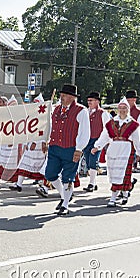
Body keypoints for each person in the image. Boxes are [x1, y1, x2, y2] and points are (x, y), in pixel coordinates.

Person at [91, 97, 140, 207]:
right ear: (117, 109)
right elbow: (104, 136)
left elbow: (137, 140)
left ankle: (113, 197)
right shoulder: (111, 123)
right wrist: (97, 146)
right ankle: (124, 193)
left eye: (124, 108)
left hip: (126, 150)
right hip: (113, 150)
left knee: (124, 174)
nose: (122, 110)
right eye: (120, 108)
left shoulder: (133, 124)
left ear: (128, 110)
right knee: (114, 173)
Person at [44, 84, 90, 216]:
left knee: (68, 178)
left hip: (71, 149)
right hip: (54, 147)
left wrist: (79, 149)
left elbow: (84, 132)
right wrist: (46, 140)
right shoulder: (56, 109)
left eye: (64, 95)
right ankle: (65, 195)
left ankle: (65, 204)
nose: (61, 97)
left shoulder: (81, 111)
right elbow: (50, 126)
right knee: (50, 174)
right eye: (61, 95)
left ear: (71, 97)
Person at [82, 92, 111, 192]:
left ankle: (91, 183)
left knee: (93, 160)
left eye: (91, 100)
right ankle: (93, 183)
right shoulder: (85, 112)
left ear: (97, 101)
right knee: (88, 160)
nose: (89, 102)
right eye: (88, 100)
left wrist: (100, 143)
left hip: (97, 140)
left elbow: (107, 129)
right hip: (86, 139)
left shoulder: (103, 113)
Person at [125, 90, 140, 174]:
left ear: (134, 100)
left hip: (134, 141)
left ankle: (128, 181)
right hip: (124, 140)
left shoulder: (139, 113)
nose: (128, 101)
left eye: (130, 99)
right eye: (127, 99)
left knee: (129, 164)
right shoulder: (123, 110)